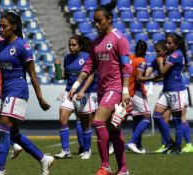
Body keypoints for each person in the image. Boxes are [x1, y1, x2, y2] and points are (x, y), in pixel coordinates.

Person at [0, 11, 53, 175]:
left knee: (3, 125)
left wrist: (40, 97)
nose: (0, 29)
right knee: (13, 134)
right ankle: (44, 159)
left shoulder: (23, 46)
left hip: (18, 89)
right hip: (4, 90)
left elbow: (33, 74)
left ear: (14, 27)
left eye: (4, 26)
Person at [69, 1, 132, 174]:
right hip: (102, 90)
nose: (96, 24)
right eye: (94, 21)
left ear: (109, 19)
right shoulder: (95, 43)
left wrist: (125, 91)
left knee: (97, 121)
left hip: (116, 88)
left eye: (99, 21)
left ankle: (105, 166)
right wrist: (75, 85)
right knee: (113, 130)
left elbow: (127, 67)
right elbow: (89, 67)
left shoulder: (120, 39)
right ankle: (124, 170)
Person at [54, 35, 97, 160]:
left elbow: (90, 76)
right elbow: (65, 76)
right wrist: (57, 70)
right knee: (62, 118)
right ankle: (65, 150)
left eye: (74, 45)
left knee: (85, 123)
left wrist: (82, 91)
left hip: (83, 94)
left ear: (80, 46)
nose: (71, 47)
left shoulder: (86, 56)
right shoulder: (67, 58)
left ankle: (87, 150)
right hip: (69, 92)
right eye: (70, 45)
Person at [152, 34, 189, 154]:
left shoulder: (175, 55)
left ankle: (177, 148)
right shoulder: (172, 55)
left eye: (169, 43)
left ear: (176, 45)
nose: (167, 45)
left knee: (178, 120)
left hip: (175, 90)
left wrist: (159, 61)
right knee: (156, 115)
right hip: (167, 89)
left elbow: (163, 71)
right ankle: (170, 142)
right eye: (166, 43)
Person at [0, 55, 23, 161]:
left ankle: (12, 146)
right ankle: (13, 145)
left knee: (0, 124)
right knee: (6, 124)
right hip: (7, 91)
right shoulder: (1, 60)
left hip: (0, 92)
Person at [126, 40, 159, 154]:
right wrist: (153, 78)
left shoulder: (131, 58)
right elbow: (139, 78)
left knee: (137, 118)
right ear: (145, 51)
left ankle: (138, 146)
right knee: (146, 117)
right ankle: (132, 142)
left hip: (128, 91)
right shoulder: (142, 61)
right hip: (136, 92)